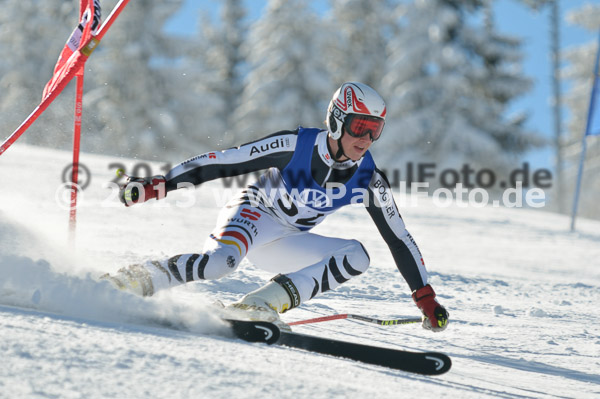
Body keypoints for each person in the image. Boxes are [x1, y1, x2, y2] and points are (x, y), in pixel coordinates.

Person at [106, 82, 449, 332]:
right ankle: (133, 280)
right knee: (219, 264)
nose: (366, 139)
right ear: (338, 120)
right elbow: (225, 161)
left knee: (357, 255)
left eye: (375, 131)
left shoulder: (369, 178)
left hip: (286, 240)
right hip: (253, 213)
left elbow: (399, 238)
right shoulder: (295, 144)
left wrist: (425, 297)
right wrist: (160, 184)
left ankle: (261, 304)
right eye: (360, 127)